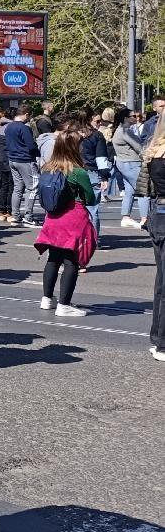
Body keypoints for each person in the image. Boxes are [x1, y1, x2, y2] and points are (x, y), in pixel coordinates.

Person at [33, 123, 97, 318]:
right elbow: (91, 198)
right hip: (73, 217)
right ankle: (64, 305)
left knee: (53, 258)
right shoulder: (78, 172)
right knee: (71, 262)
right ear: (74, 148)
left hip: (53, 217)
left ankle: (47, 299)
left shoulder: (48, 167)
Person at [138, 123, 165, 361]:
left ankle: (158, 339)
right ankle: (161, 342)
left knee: (162, 281)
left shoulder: (155, 152)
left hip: (159, 214)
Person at [6, 104, 41, 226]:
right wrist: (38, 152)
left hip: (12, 159)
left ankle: (15, 215)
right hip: (25, 160)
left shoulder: (8, 127)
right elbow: (31, 146)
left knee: (17, 188)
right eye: (30, 116)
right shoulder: (24, 128)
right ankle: (28, 216)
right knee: (32, 187)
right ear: (26, 114)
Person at [115, 112, 146, 228]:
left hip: (124, 162)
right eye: (133, 116)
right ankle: (145, 218)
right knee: (143, 191)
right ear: (125, 118)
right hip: (131, 162)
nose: (136, 118)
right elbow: (139, 147)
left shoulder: (122, 130)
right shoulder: (125, 131)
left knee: (129, 191)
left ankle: (126, 216)